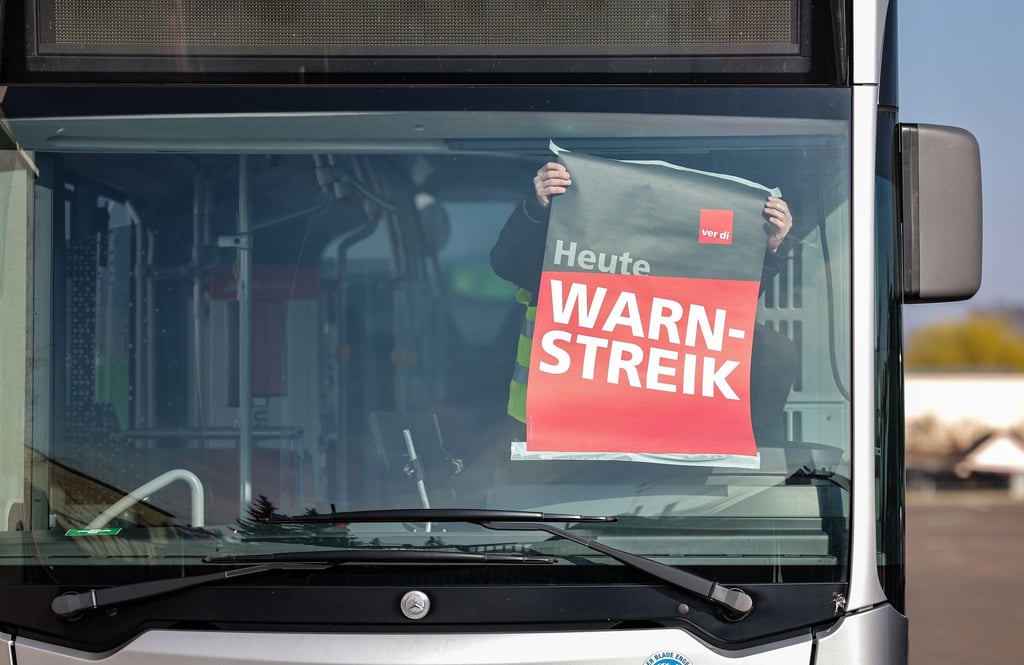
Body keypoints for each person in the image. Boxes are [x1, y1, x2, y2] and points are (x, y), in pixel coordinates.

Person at [490, 161, 799, 443]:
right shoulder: (570, 260)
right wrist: (537, 210)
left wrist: (767, 247)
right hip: (557, 444)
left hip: (664, 451)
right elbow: (508, 263)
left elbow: (726, 302)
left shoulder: (688, 284)